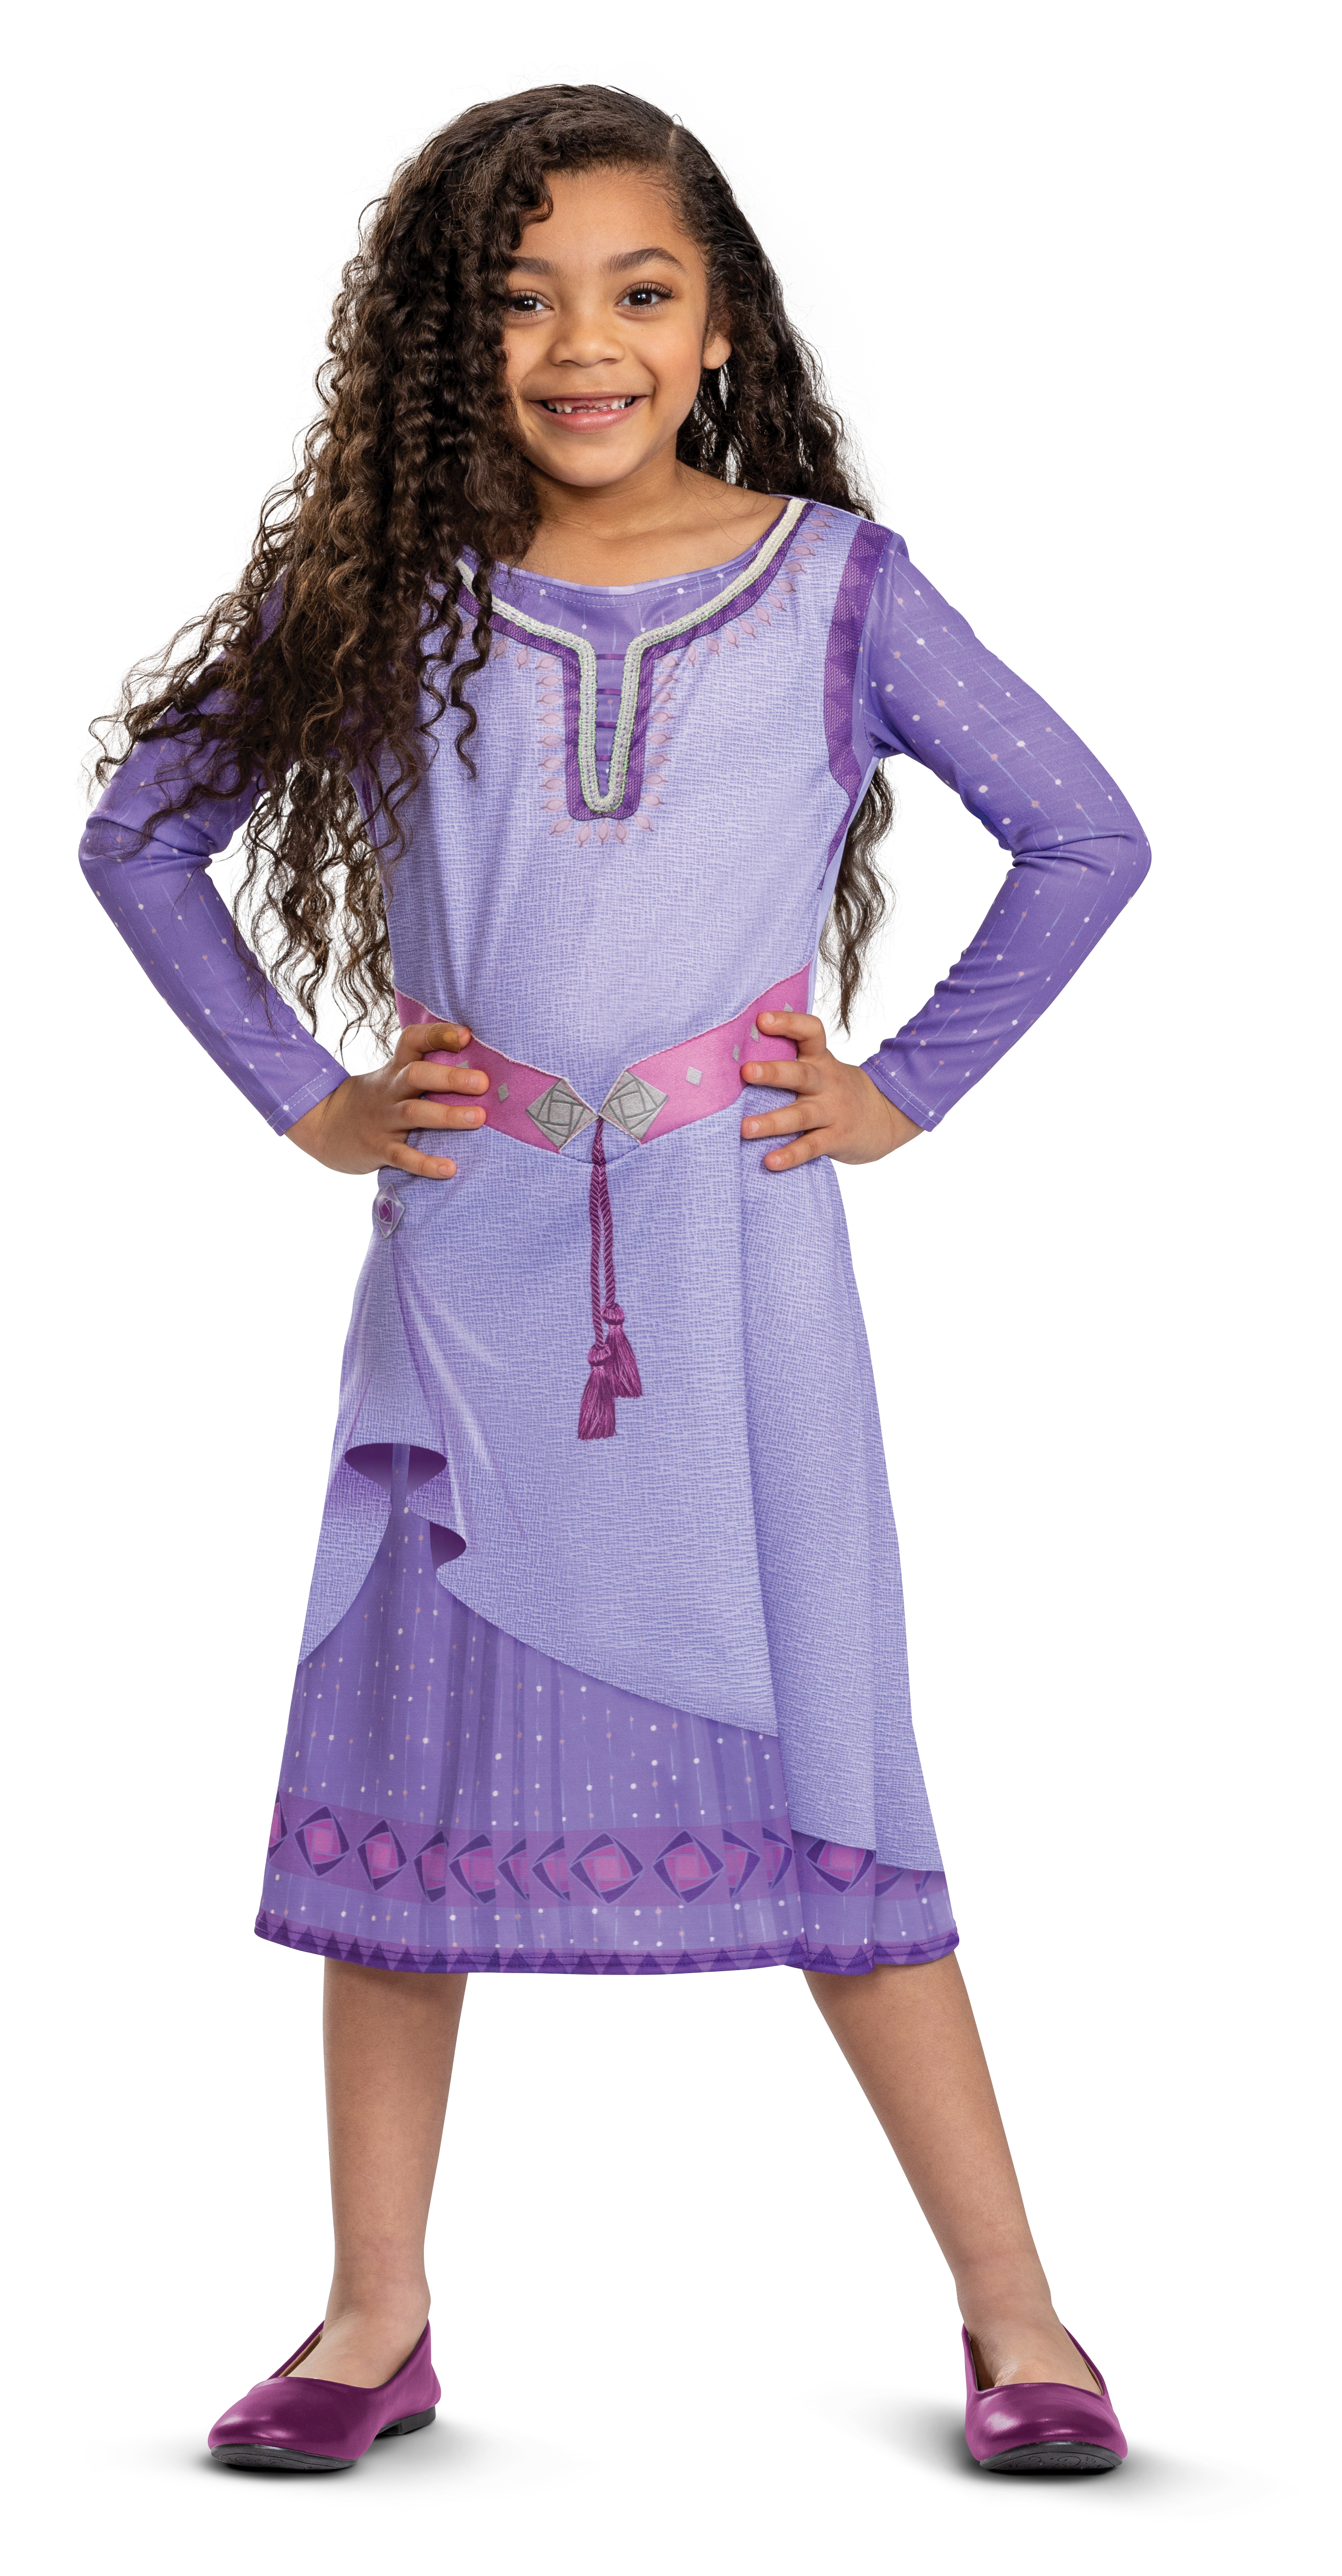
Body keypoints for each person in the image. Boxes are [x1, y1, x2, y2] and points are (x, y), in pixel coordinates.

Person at [83, 84, 1147, 2478]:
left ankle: (1023, 2315)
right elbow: (143, 832)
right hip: (468, 1285)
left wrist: (904, 1086)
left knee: (831, 1762)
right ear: (447, 343)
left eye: (639, 292)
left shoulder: (835, 587)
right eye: (522, 299)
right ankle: (372, 2317)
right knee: (402, 1791)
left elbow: (1087, 833)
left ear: (721, 322)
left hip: (733, 1272)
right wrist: (308, 1094)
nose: (585, 343)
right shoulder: (387, 595)